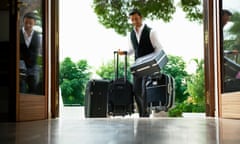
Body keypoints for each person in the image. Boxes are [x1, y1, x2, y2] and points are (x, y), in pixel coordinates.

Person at [126, 9, 164, 117]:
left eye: (136, 19)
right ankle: (142, 114)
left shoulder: (151, 32)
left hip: (149, 66)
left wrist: (154, 64)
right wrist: (124, 52)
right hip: (138, 66)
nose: (134, 21)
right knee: (136, 90)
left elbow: (159, 49)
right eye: (132, 19)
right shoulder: (131, 34)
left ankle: (145, 114)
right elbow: (132, 49)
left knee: (145, 89)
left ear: (141, 18)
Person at [20, 12, 41, 93]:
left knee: (34, 87)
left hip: (33, 65)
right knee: (21, 88)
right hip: (21, 65)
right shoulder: (18, 34)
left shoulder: (37, 35)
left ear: (34, 23)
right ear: (23, 22)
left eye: (30, 23)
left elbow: (37, 52)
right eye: (26, 23)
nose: (28, 25)